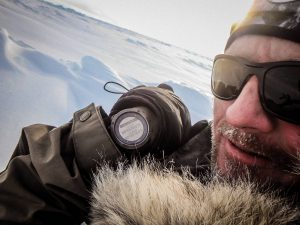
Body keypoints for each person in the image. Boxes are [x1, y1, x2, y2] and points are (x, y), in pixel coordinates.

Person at [1, 0, 300, 224]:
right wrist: (89, 150)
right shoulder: (186, 160)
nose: (238, 115)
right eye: (230, 75)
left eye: (290, 89)